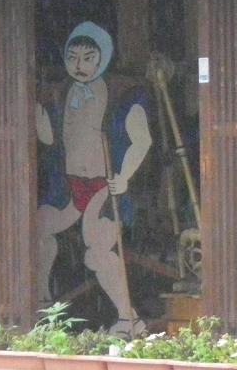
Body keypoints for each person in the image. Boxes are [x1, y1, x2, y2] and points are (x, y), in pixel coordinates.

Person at [36, 21, 152, 336]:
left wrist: (124, 177)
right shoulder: (60, 93)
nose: (80, 65)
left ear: (104, 58)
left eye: (89, 58)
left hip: (105, 185)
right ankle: (41, 303)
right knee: (37, 230)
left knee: (98, 250)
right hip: (70, 186)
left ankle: (129, 319)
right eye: (73, 57)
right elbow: (51, 141)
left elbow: (142, 140)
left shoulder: (122, 95)